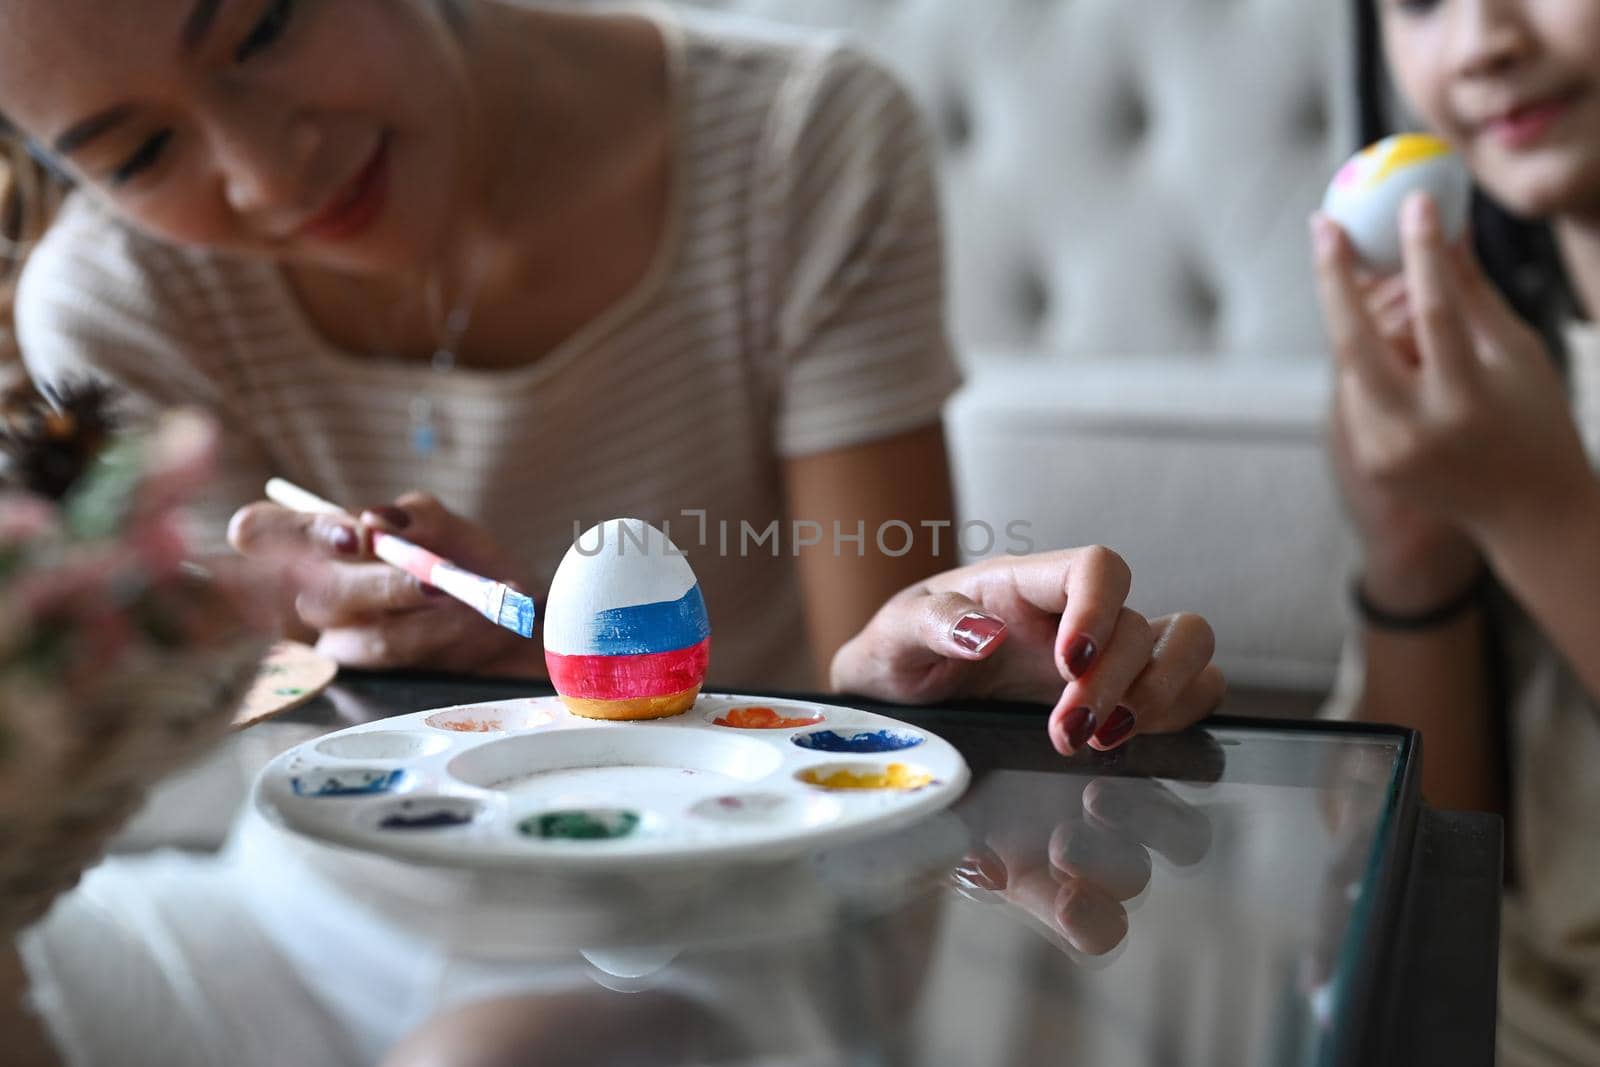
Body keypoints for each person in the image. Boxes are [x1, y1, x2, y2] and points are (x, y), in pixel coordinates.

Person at [0, 0, 1224, 759]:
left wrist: (934, 681)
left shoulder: (801, 148)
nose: (270, 173)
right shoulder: (113, 309)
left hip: (737, 874)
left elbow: (879, 686)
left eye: (264, 24)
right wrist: (281, 642)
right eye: (144, 151)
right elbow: (190, 789)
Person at [1314, 2, 1600, 1062]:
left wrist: (1537, 515)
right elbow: (1427, 893)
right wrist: (1412, 560)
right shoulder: (1486, 374)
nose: (1481, 39)